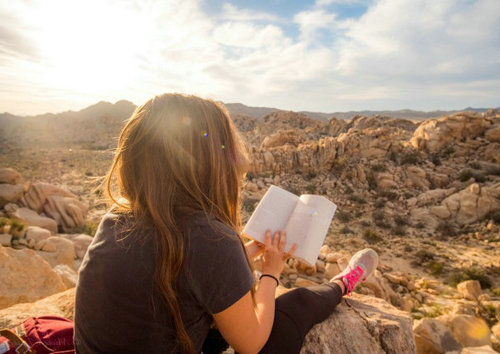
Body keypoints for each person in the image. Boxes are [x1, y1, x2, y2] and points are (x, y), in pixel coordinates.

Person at [74, 93, 379, 354]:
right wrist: (271, 273)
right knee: (294, 305)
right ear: (209, 165)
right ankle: (345, 281)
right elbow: (252, 344)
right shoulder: (209, 238)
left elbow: (181, 274)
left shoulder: (114, 223)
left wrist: (244, 254)